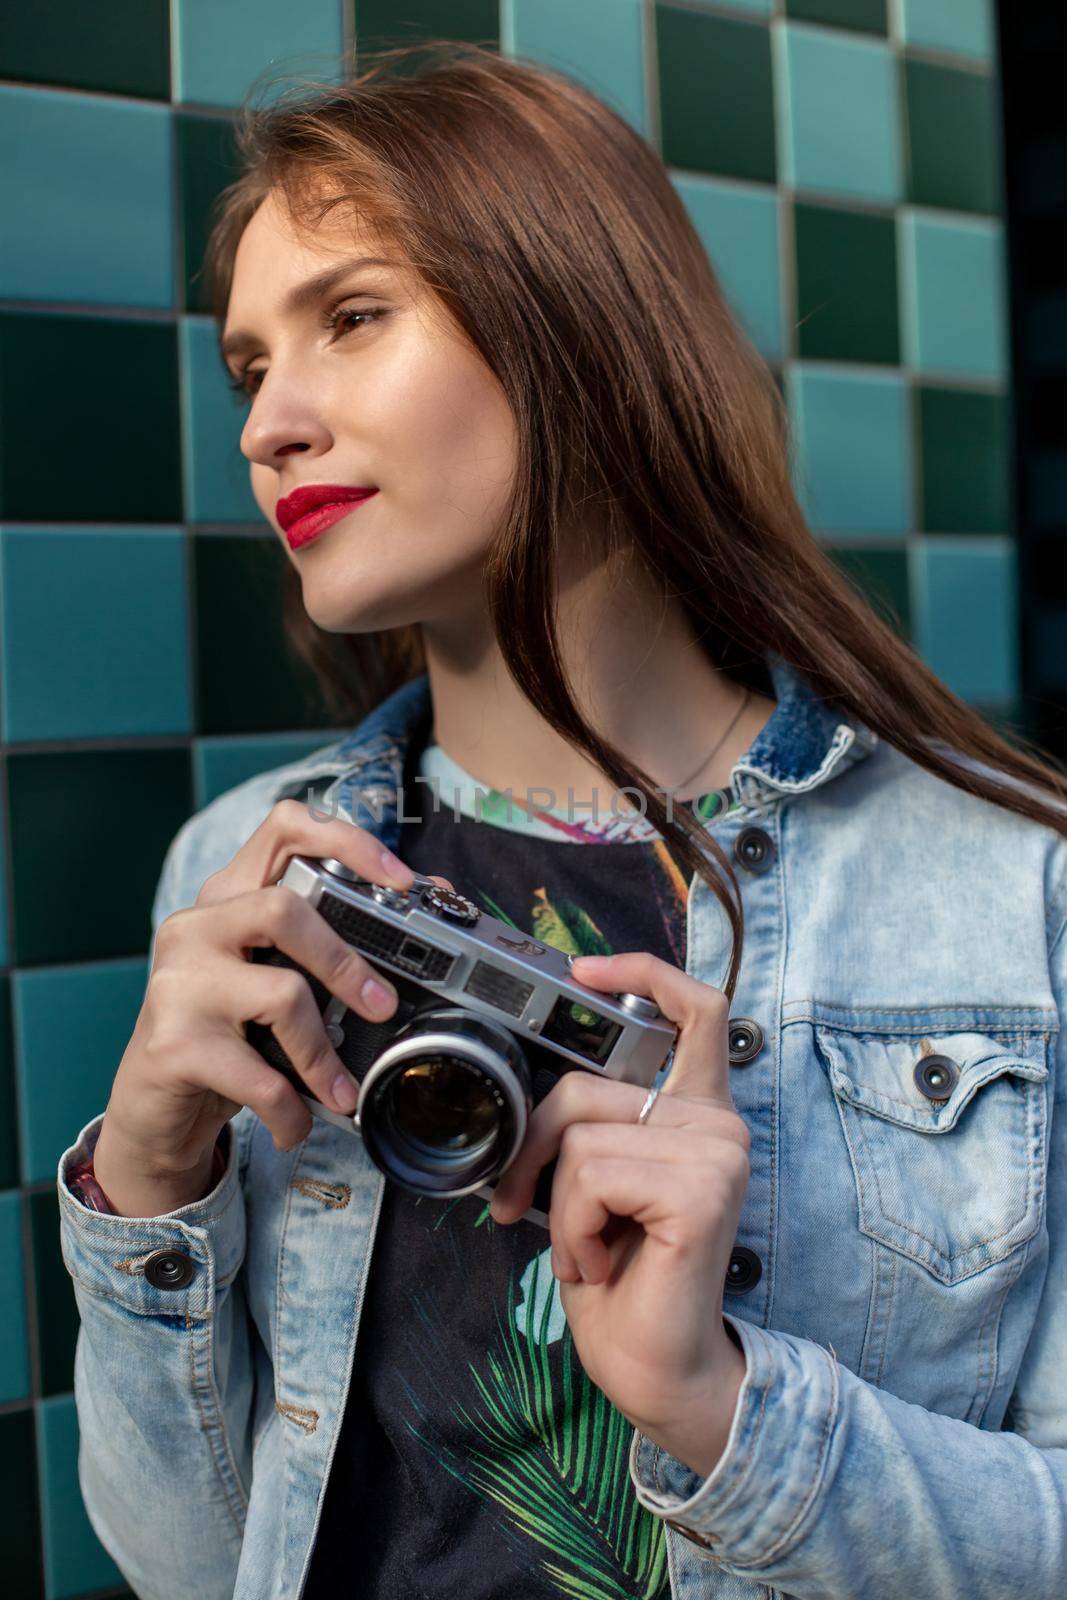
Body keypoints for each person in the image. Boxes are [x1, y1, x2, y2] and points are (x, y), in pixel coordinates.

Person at [58, 40, 1067, 1600]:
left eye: (352, 318)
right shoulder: (243, 874)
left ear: (574, 321)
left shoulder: (1010, 896)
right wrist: (144, 1190)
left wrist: (721, 1415)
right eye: (252, 365)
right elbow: (190, 1565)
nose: (268, 426)